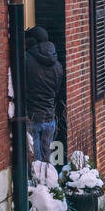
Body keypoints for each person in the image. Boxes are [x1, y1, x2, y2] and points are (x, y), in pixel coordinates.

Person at [24, 25, 64, 163]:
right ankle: (49, 183)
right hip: (49, 118)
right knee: (47, 161)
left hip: (33, 117)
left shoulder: (26, 60)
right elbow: (57, 91)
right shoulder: (57, 65)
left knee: (35, 162)